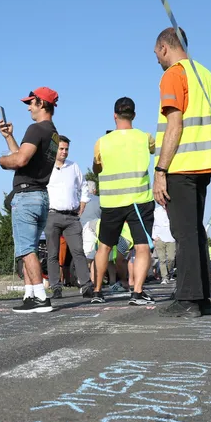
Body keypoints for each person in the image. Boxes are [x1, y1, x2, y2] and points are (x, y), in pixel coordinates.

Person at [152, 27, 211, 318]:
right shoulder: (206, 76)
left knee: (183, 233)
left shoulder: (174, 74)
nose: (156, 59)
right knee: (195, 231)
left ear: (165, 47)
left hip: (181, 164)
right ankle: (202, 297)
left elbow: (175, 124)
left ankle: (188, 299)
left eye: (156, 53)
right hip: (203, 163)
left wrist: (160, 170)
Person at [0, 87, 61, 313]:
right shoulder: (53, 133)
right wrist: (9, 137)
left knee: (26, 249)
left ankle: (41, 298)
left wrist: (2, 161)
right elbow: (26, 156)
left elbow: (20, 160)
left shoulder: (36, 128)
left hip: (27, 196)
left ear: (41, 103)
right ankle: (30, 295)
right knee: (30, 247)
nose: (28, 107)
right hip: (41, 195)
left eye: (31, 103)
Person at [91, 97, 156, 306]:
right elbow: (153, 151)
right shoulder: (145, 137)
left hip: (111, 201)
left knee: (104, 248)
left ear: (114, 115)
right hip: (139, 201)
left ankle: (98, 291)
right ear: (134, 115)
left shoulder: (102, 141)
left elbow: (96, 168)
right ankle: (137, 292)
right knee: (142, 247)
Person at [44, 135, 92, 298]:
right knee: (53, 253)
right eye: (61, 149)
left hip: (72, 217)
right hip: (52, 215)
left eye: (66, 149)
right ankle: (56, 287)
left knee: (78, 251)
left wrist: (84, 201)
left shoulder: (74, 167)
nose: (64, 152)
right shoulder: (46, 167)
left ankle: (86, 286)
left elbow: (84, 185)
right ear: (54, 149)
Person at [152, 202, 175, 284]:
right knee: (162, 259)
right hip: (159, 238)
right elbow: (152, 224)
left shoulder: (174, 211)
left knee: (171, 258)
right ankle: (164, 277)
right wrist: (154, 237)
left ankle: (169, 273)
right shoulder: (156, 211)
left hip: (171, 238)